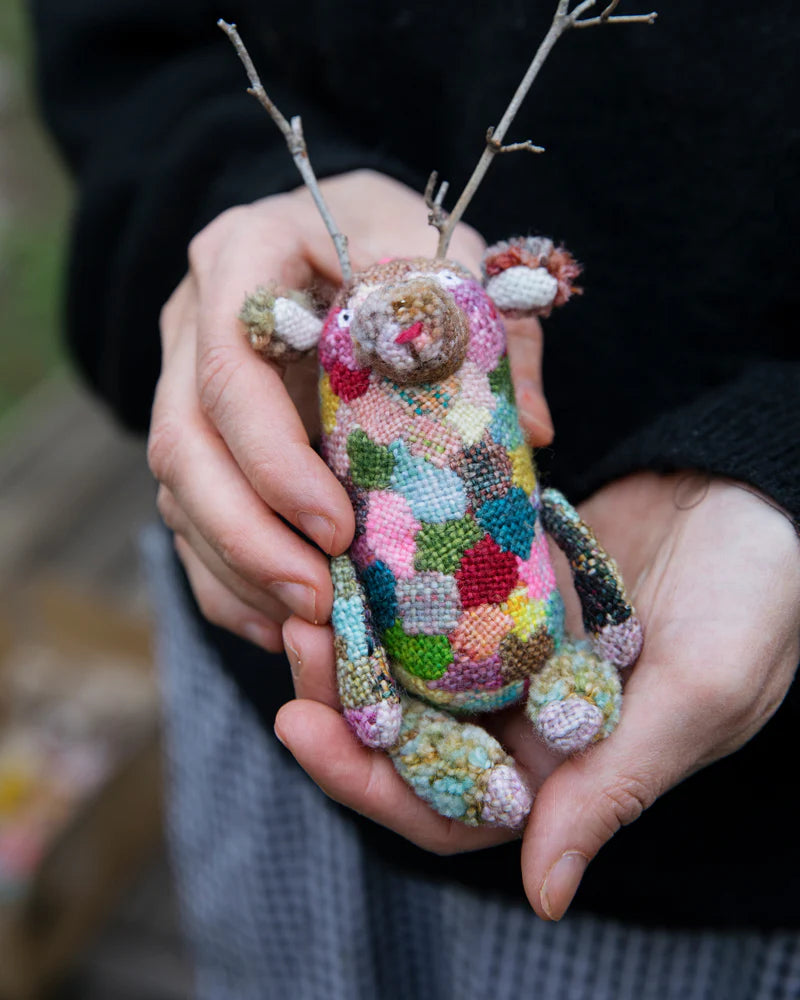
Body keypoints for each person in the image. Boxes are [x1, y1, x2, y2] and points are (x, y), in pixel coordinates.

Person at [32, 0, 800, 996]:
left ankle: (538, 681)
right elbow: (125, 49)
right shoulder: (343, 349)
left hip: (734, 856)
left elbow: (559, 530)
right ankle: (408, 721)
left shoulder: (478, 344)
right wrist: (223, 200)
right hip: (267, 751)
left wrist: (774, 459)